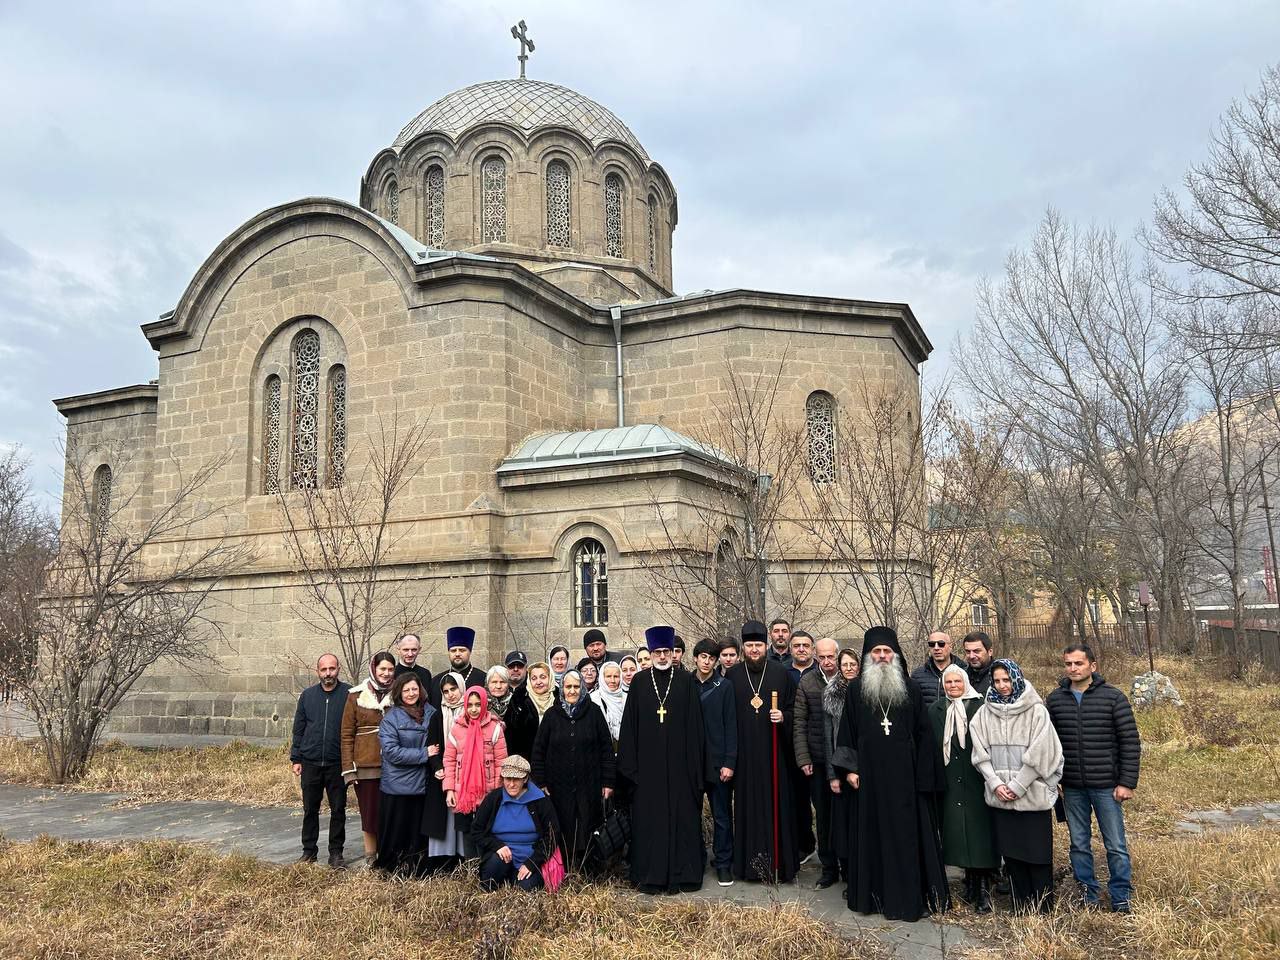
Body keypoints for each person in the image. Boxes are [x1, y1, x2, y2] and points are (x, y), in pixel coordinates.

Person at [834, 625, 949, 922]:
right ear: (868, 656)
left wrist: (923, 776)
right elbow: (846, 731)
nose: (883, 656)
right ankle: (874, 897)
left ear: (895, 655)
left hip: (905, 779)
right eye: (877, 652)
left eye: (887, 651)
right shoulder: (857, 690)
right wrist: (850, 770)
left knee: (906, 837)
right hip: (869, 779)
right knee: (872, 835)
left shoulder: (909, 688)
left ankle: (907, 897)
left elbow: (924, 734)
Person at [1045, 643, 1140, 914]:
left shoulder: (1113, 698)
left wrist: (1126, 782)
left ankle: (1121, 894)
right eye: (1068, 664)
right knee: (1078, 843)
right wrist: (1055, 779)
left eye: (1078, 663)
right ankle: (1088, 892)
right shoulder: (1055, 700)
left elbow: (1130, 742)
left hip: (1107, 786)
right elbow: (1048, 743)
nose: (1073, 669)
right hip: (1072, 786)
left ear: (1092, 666)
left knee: (1115, 844)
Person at [970, 659, 1064, 914]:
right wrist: (996, 783)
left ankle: (1042, 906)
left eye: (1007, 680)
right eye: (997, 680)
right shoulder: (984, 713)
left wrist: (1019, 785)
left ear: (1016, 679)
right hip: (1001, 796)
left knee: (1036, 853)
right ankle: (1020, 904)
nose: (1002, 686)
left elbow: (1043, 752)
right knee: (1013, 855)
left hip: (1031, 795)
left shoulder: (1036, 711)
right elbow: (980, 754)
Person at [617, 626, 706, 893]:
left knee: (682, 820)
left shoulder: (686, 681)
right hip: (647, 772)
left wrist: (695, 769)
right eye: (657, 652)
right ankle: (649, 875)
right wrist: (630, 770)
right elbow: (629, 728)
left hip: (680, 770)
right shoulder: (641, 682)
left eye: (667, 651)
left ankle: (684, 875)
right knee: (649, 823)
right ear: (650, 653)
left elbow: (695, 728)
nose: (663, 656)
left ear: (673, 653)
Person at [727, 619, 798, 883]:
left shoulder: (781, 673)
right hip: (745, 757)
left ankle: (780, 864)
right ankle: (748, 867)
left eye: (758, 645)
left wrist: (784, 717)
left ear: (766, 645)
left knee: (776, 806)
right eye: (750, 646)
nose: (754, 650)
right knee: (746, 809)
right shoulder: (733, 676)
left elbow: (795, 711)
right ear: (743, 648)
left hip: (774, 756)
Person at [928, 664, 998, 913]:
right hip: (949, 780)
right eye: (949, 682)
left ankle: (982, 887)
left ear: (965, 682)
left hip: (977, 778)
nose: (953, 686)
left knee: (980, 834)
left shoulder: (980, 708)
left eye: (958, 681)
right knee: (958, 832)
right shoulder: (935, 710)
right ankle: (968, 880)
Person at [532, 669, 616, 866]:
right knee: (564, 826)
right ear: (562, 689)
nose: (572, 691)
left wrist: (608, 782)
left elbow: (606, 749)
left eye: (576, 686)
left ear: (583, 688)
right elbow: (538, 752)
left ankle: (589, 869)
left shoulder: (594, 713)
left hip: (589, 784)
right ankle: (565, 869)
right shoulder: (552, 716)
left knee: (588, 825)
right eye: (568, 686)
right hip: (558, 787)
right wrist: (541, 781)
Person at [290, 653, 351, 867]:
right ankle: (309, 852)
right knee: (310, 810)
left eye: (332, 669)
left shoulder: (349, 694)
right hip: (311, 762)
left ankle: (336, 853)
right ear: (318, 671)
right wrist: (296, 757)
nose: (328, 673)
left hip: (337, 763)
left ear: (338, 669)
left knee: (338, 810)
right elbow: (299, 728)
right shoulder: (307, 696)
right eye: (324, 670)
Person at [471, 755, 563, 892]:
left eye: (516, 779)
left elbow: (553, 835)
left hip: (530, 857)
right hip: (501, 855)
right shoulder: (493, 799)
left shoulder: (540, 801)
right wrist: (497, 846)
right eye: (508, 779)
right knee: (490, 879)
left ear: (525, 779)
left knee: (526, 891)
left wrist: (532, 863)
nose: (511, 784)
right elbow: (476, 830)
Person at [375, 673, 436, 875]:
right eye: (407, 690)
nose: (411, 693)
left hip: (424, 783)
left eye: (415, 689)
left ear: (421, 690)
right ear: (399, 692)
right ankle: (392, 866)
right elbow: (391, 752)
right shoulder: (391, 718)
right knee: (397, 829)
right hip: (398, 785)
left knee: (418, 830)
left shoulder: (432, 713)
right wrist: (424, 753)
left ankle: (417, 867)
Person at [794, 637, 841, 889]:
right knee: (823, 817)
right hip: (819, 760)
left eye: (830, 657)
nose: (826, 662)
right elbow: (799, 722)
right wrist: (804, 758)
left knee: (845, 816)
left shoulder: (848, 679)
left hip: (844, 761)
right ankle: (829, 867)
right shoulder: (808, 681)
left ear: (837, 655)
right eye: (821, 657)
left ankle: (850, 864)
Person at [341, 651, 395, 867]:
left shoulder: (399, 694)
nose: (386, 673)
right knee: (369, 813)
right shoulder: (355, 696)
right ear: (374, 669)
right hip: (365, 766)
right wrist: (349, 769)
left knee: (389, 812)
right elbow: (346, 734)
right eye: (382, 669)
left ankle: (389, 854)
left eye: (390, 669)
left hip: (393, 766)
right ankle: (371, 856)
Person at [692, 638, 736, 886]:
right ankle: (696, 860)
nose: (707, 662)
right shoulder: (686, 684)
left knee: (721, 816)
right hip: (694, 764)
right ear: (695, 658)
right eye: (703, 657)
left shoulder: (724, 686)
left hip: (719, 763)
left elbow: (731, 726)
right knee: (692, 814)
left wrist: (729, 762)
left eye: (712, 658)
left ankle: (723, 863)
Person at [444, 686, 509, 845]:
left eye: (478, 704)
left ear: (485, 704)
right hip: (463, 792)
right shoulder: (457, 729)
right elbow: (449, 761)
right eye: (470, 704)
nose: (474, 709)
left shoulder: (495, 728)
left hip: (488, 791)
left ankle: (483, 867)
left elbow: (501, 762)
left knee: (486, 830)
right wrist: (450, 789)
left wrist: (497, 791)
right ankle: (469, 867)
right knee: (466, 832)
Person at [422, 672, 467, 871]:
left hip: (466, 774)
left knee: (462, 818)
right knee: (443, 820)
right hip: (443, 774)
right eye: (445, 691)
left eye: (453, 689)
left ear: (461, 688)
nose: (450, 695)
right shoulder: (437, 715)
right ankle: (443, 861)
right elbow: (432, 746)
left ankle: (464, 858)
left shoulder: (470, 712)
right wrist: (438, 767)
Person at [823, 647, 859, 890]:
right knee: (845, 824)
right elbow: (828, 738)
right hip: (841, 764)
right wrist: (832, 774)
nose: (849, 668)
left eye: (852, 664)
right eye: (844, 664)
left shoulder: (869, 690)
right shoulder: (831, 694)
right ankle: (847, 872)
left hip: (865, 767)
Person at [786, 629, 817, 866]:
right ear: (790, 649)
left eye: (805, 645)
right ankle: (802, 845)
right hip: (790, 745)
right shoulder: (783, 672)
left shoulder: (821, 671)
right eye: (796, 646)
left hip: (816, 746)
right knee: (796, 800)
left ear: (812, 648)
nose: (801, 649)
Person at [489, 664, 538, 761]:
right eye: (494, 682)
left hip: (514, 758)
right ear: (487, 683)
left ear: (508, 684)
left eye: (502, 682)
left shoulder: (518, 703)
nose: (498, 686)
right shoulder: (480, 704)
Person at [911, 631, 965, 711]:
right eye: (932, 644)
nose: (936, 648)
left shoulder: (964, 672)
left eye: (941, 644)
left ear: (951, 646)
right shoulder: (918, 675)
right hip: (927, 722)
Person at [432, 627, 485, 705]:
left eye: (462, 650)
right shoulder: (436, 681)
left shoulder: (483, 679)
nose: (457, 654)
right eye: (453, 651)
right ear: (449, 653)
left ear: (470, 652)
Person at [591, 660, 627, 749]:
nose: (613, 680)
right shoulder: (593, 699)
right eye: (608, 676)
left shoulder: (627, 698)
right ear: (602, 678)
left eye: (616, 676)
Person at [963, 631, 994, 696]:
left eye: (976, 651)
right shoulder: (962, 676)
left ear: (990, 652)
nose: (971, 656)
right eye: (968, 652)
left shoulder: (1000, 677)